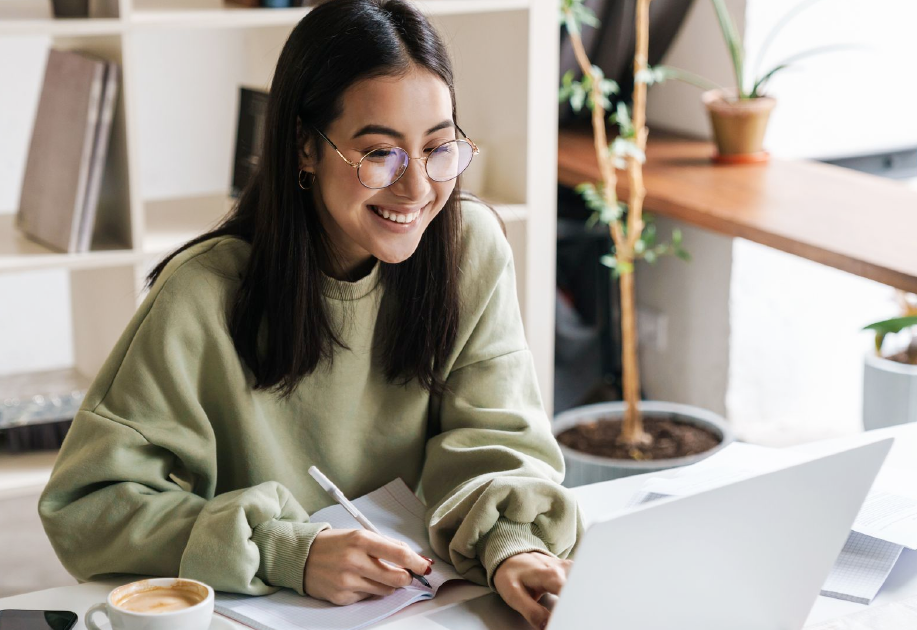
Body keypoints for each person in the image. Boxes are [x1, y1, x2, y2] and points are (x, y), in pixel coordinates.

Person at [38, 0, 583, 626]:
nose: (417, 189)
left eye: (438, 148)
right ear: (304, 147)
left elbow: (495, 442)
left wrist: (513, 544)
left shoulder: (470, 248)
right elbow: (87, 508)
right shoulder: (203, 294)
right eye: (381, 154)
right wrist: (286, 550)